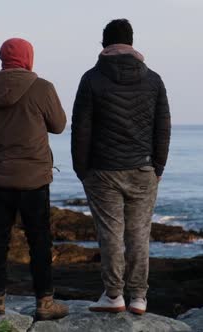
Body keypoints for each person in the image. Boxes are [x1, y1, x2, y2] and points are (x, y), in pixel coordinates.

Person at [71, 19, 171, 315]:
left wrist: (81, 169)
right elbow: (162, 128)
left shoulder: (91, 79)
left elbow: (81, 128)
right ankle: (139, 296)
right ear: (132, 43)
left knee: (110, 233)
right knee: (139, 233)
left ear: (104, 44)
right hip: (142, 168)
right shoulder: (153, 79)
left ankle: (114, 295)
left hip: (103, 171)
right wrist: (158, 166)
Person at [0, 38, 69, 320]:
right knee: (39, 241)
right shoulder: (42, 88)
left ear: (2, 58)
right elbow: (59, 125)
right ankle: (44, 303)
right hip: (34, 178)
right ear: (28, 58)